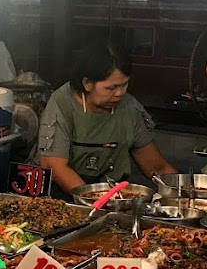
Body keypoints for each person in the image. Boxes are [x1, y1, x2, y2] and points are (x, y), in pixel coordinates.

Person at [36, 42, 177, 196]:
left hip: (110, 198)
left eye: (124, 85)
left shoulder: (128, 108)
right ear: (87, 83)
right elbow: (54, 165)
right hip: (60, 198)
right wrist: (95, 202)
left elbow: (157, 167)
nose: (120, 93)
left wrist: (182, 192)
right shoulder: (62, 104)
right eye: (112, 87)